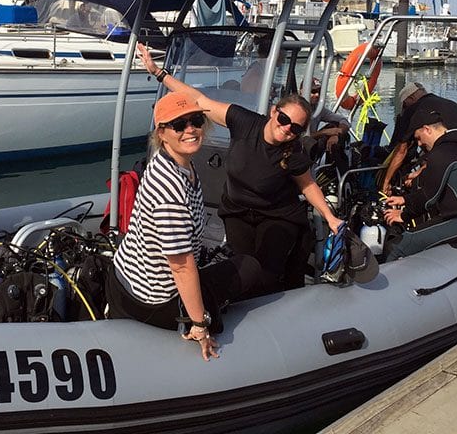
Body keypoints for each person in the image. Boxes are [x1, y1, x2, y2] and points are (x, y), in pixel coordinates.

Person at [138, 43, 343, 294]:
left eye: (297, 128)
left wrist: (330, 217)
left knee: (267, 274)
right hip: (237, 211)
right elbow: (199, 100)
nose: (288, 128)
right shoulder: (244, 122)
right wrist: (159, 72)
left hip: (276, 216)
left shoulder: (295, 151)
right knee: (242, 269)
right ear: (273, 112)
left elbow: (307, 184)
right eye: (284, 119)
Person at [107, 92, 263, 362]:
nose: (190, 130)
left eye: (196, 121)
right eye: (179, 125)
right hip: (152, 299)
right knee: (250, 268)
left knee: (229, 262)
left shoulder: (177, 164)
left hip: (126, 278)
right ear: (162, 133)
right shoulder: (169, 190)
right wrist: (200, 325)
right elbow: (181, 265)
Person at [382, 109, 457, 260]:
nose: (420, 144)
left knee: (398, 244)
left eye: (418, 138)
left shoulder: (441, 153)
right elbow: (437, 185)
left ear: (427, 129)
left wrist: (404, 215)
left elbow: (429, 197)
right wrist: (406, 200)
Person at [381, 81, 457, 194]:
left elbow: (401, 151)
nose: (405, 108)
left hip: (444, 163)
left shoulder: (414, 110)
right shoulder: (452, 105)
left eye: (405, 104)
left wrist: (386, 181)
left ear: (412, 97)